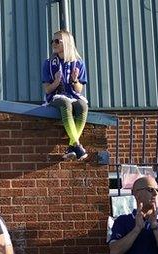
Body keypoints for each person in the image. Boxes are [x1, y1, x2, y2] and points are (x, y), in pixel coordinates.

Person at [42, 29, 89, 161]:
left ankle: (71, 147)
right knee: (65, 103)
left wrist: (74, 79)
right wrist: (57, 81)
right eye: (52, 41)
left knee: (83, 106)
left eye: (57, 41)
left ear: (67, 43)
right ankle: (77, 145)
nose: (54, 44)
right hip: (56, 97)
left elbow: (79, 90)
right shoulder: (48, 64)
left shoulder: (79, 63)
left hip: (73, 95)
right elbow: (47, 90)